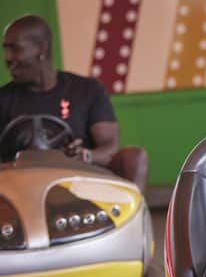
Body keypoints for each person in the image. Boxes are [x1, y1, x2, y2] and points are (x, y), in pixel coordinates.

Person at [0, 14, 148, 192]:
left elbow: (110, 148)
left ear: (41, 49)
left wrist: (85, 155)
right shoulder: (4, 98)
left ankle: (133, 218)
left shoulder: (87, 90)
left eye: (15, 49)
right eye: (5, 49)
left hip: (78, 189)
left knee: (135, 157)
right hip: (18, 191)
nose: (7, 58)